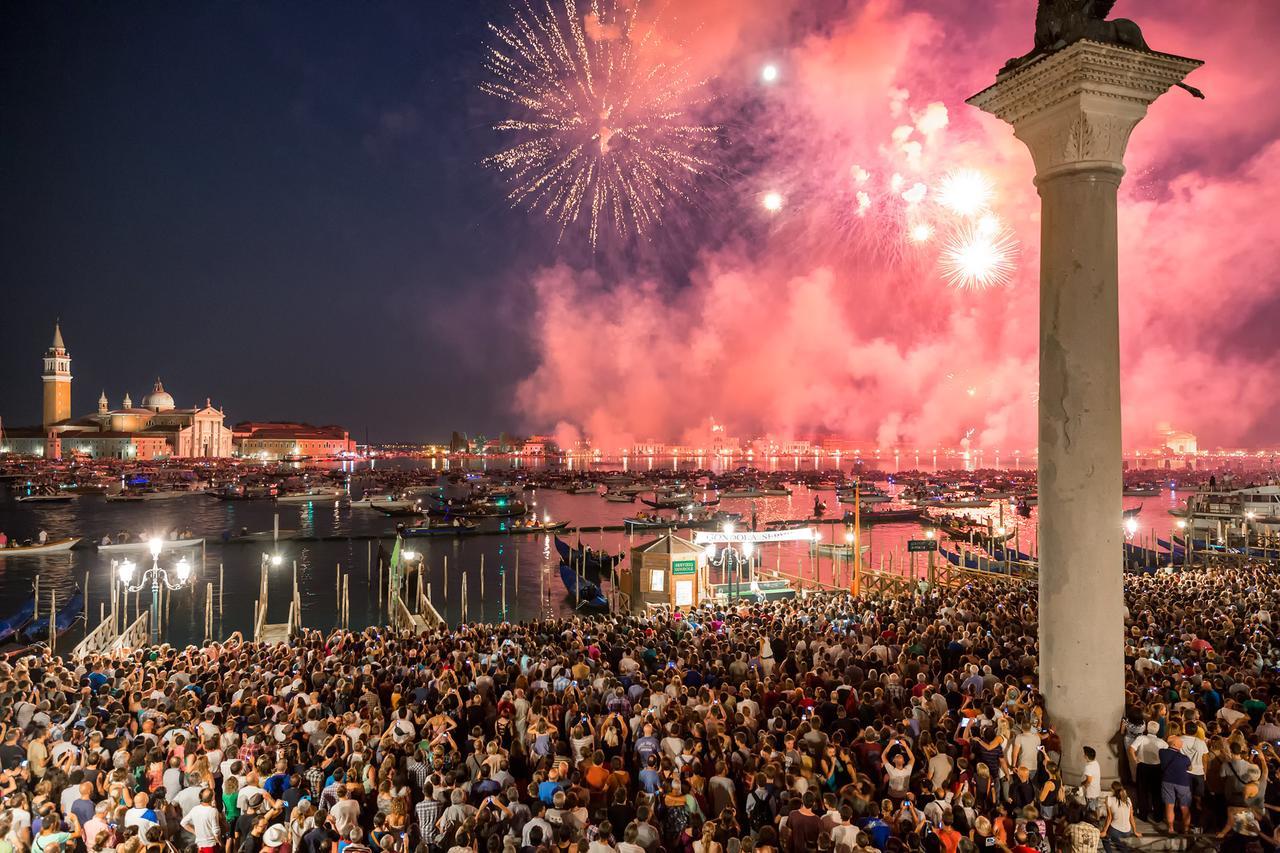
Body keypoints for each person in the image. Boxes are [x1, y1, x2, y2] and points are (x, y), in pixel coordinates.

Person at [1159, 734, 1193, 834]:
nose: (1182, 744)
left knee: (1169, 805)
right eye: (1180, 743)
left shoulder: (1162, 752)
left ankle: (1170, 828)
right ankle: (1186, 829)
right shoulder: (1184, 758)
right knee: (1184, 807)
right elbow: (1190, 768)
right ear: (1176, 744)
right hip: (1182, 783)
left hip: (1167, 781)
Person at [1101, 782, 1140, 852]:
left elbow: (1109, 818)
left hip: (1115, 830)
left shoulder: (1109, 799)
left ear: (1113, 790)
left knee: (1104, 837)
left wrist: (1104, 831)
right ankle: (1124, 850)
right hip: (1128, 831)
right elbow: (1131, 817)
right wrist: (1135, 831)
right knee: (1113, 836)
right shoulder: (1128, 799)